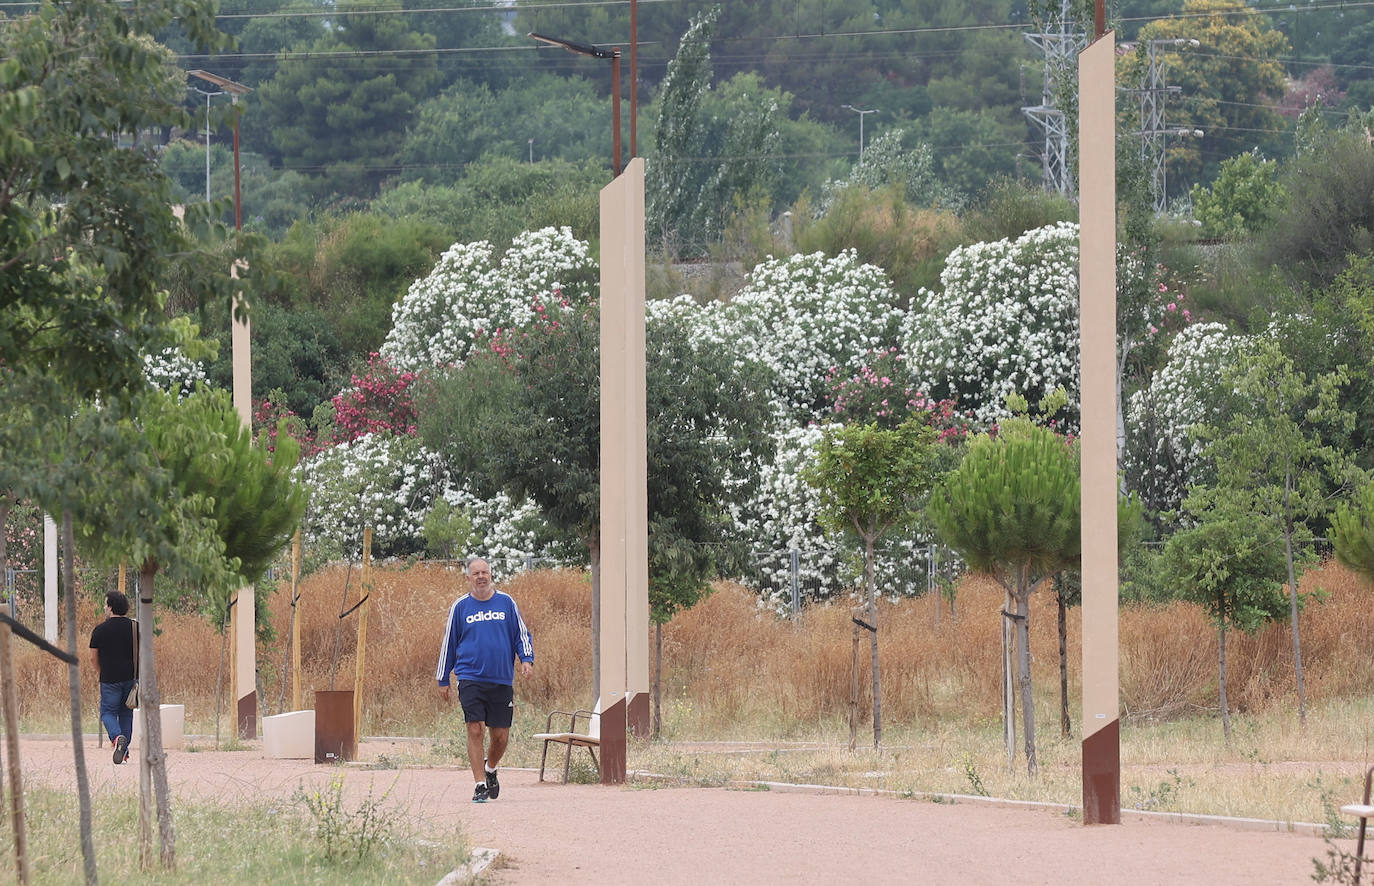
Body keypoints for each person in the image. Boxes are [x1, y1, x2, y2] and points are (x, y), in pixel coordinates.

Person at [435, 558, 534, 803]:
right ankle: (480, 784)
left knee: (500, 736)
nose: (481, 577)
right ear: (468, 578)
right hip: (470, 677)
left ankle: (490, 769)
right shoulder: (460, 607)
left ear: (491, 575)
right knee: (475, 728)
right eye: (476, 573)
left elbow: (521, 634)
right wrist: (443, 678)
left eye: (484, 572)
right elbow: (449, 643)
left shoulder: (506, 603)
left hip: (501, 679)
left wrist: (526, 659)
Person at [89, 591, 137, 765]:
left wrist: (101, 672)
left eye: (105, 604)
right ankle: (123, 750)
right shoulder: (135, 627)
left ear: (110, 607)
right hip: (131, 678)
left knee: (108, 712)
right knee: (126, 712)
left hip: (109, 678)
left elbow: (93, 657)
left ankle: (117, 738)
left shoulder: (100, 630)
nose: (104, 607)